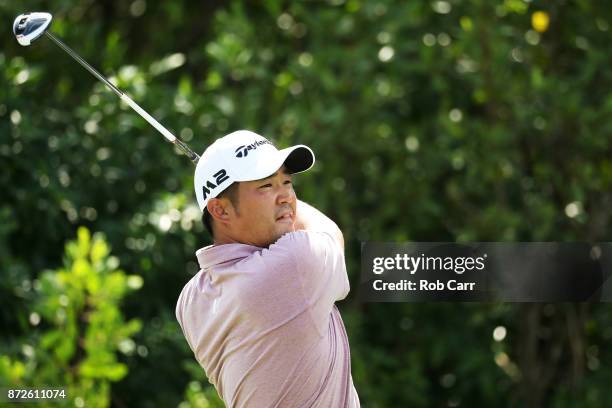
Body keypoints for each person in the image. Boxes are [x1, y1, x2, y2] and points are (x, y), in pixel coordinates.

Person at [175, 130, 360, 407]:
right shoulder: (295, 263)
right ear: (220, 210)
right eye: (266, 186)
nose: (287, 196)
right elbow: (330, 233)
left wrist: (247, 193)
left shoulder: (191, 300)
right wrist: (286, 207)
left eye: (287, 182)